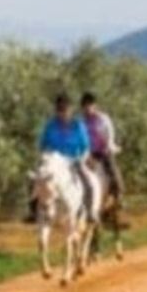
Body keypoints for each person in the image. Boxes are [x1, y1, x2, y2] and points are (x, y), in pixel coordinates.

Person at [36, 92, 95, 222]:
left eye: (64, 109)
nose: (62, 113)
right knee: (36, 180)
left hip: (74, 160)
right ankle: (33, 211)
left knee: (88, 183)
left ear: (70, 110)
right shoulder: (50, 125)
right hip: (54, 162)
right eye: (59, 110)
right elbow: (42, 145)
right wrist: (44, 157)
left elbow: (86, 146)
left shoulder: (78, 126)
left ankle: (89, 212)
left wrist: (82, 158)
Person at [81, 91, 123, 207]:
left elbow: (110, 133)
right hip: (89, 153)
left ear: (95, 106)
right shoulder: (82, 122)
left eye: (90, 106)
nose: (88, 109)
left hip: (103, 151)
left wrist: (108, 145)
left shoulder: (103, 119)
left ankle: (118, 195)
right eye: (85, 106)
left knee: (112, 170)